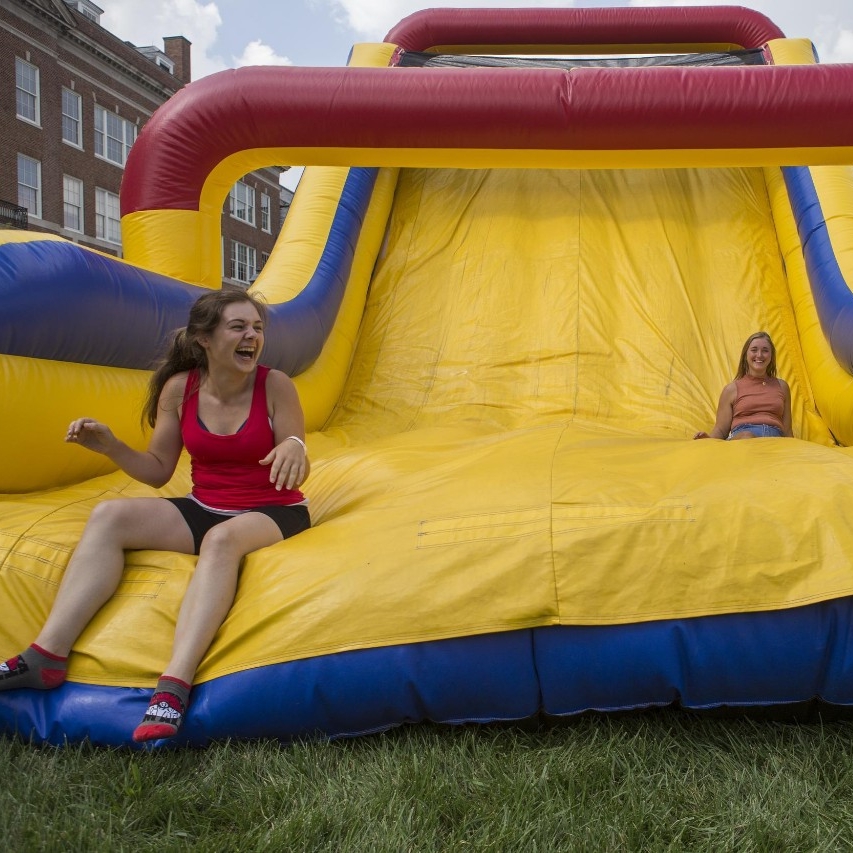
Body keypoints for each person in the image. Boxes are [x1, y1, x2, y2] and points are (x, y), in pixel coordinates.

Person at [0, 289, 311, 743]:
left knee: (220, 541)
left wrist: (293, 447)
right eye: (239, 327)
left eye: (257, 328)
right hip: (205, 506)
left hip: (273, 510)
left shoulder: (275, 383)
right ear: (205, 339)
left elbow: (296, 446)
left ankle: (174, 685)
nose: (252, 336)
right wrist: (110, 447)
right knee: (109, 515)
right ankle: (47, 654)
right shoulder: (179, 389)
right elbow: (158, 470)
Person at [693, 331, 793, 440]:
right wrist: (708, 439)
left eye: (765, 351)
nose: (759, 355)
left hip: (774, 443)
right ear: (746, 355)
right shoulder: (731, 389)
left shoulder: (782, 387)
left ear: (771, 356)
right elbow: (721, 430)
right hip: (743, 441)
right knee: (747, 436)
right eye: (754, 350)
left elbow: (787, 431)